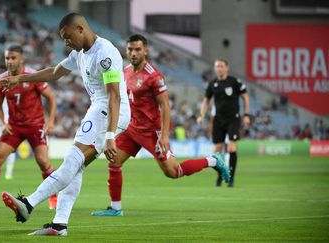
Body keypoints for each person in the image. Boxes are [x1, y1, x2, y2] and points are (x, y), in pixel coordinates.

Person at [0, 13, 131, 236]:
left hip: (109, 109)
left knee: (72, 158)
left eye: (67, 37)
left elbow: (114, 96)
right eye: (63, 39)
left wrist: (109, 135)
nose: (66, 43)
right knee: (76, 167)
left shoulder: (105, 54)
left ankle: (28, 204)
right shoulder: (79, 53)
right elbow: (54, 72)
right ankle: (59, 225)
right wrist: (19, 78)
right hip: (100, 108)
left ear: (80, 29)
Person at [91, 34, 231, 217]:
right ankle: (115, 208)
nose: (133, 53)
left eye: (138, 49)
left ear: (146, 51)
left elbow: (165, 106)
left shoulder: (153, 76)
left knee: (174, 172)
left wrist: (164, 135)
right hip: (132, 129)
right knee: (114, 161)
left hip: (152, 133)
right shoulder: (124, 71)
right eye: (130, 49)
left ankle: (213, 161)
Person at [0, 44, 58, 209]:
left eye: (13, 58)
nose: (10, 61)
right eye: (7, 58)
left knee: (42, 161)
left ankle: (54, 199)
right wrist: (2, 123)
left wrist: (51, 121)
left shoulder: (33, 76)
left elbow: (51, 98)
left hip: (35, 125)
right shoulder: (2, 80)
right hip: (15, 127)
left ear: (21, 59)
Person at [197, 58, 250, 187]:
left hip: (233, 118)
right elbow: (206, 100)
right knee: (216, 150)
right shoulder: (212, 84)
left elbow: (245, 97)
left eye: (221, 66)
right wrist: (202, 115)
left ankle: (230, 178)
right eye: (216, 66)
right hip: (218, 120)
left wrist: (247, 114)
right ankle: (221, 175)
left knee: (232, 147)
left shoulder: (234, 82)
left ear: (227, 67)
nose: (218, 69)